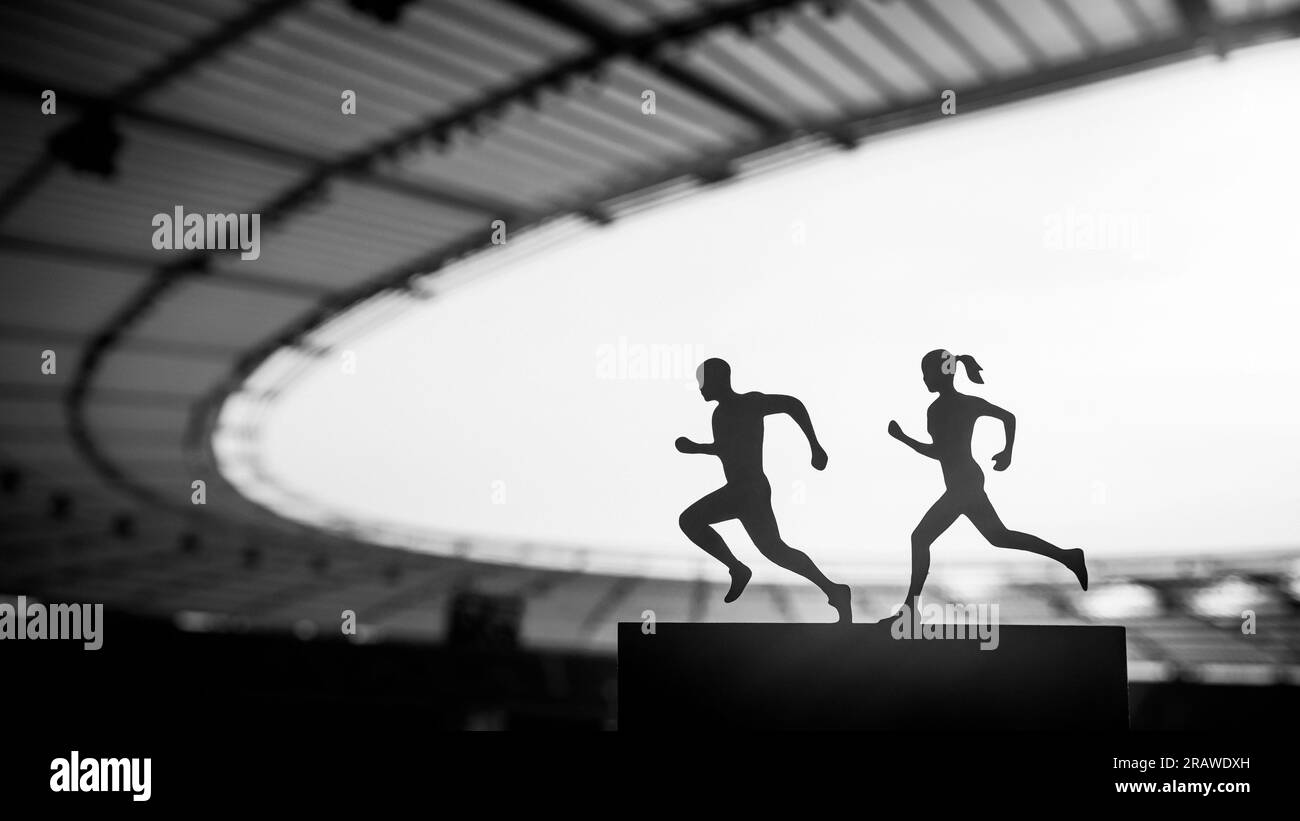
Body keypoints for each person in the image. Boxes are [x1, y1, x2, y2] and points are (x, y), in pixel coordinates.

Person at [884, 350, 1088, 620]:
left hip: (963, 485)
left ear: (940, 374)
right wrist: (1006, 452)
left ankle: (910, 610)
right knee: (999, 537)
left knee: (920, 538)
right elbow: (1007, 418)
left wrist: (903, 439)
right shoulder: (961, 404)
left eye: (926, 373)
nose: (924, 380)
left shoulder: (942, 409)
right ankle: (1068, 557)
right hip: (965, 481)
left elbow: (941, 452)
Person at [676, 358, 852, 623]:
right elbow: (728, 450)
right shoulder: (719, 415)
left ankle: (737, 568)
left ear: (718, 380)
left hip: (750, 489)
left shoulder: (751, 402)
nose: (700, 387)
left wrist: (815, 445)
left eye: (703, 381)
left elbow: (792, 404)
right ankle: (834, 591)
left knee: (691, 520)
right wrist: (697, 447)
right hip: (739, 490)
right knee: (775, 550)